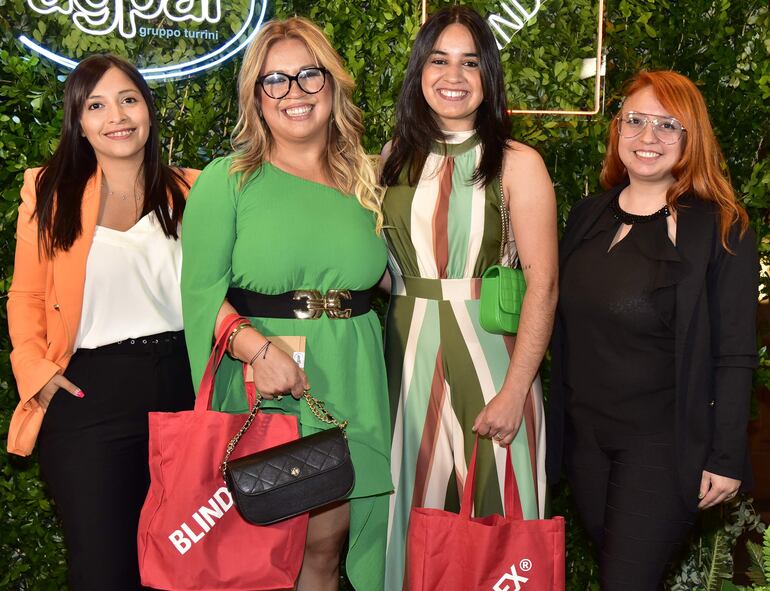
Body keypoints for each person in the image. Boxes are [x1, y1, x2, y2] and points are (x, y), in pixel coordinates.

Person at [180, 17, 392, 591]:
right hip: (266, 384)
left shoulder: (367, 182)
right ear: (256, 96)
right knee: (264, 556)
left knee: (323, 556)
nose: (293, 92)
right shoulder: (227, 181)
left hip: (352, 381)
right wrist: (256, 350)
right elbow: (200, 292)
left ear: (332, 85)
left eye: (307, 76)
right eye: (275, 80)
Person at [548, 70, 758, 589]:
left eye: (668, 126)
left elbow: (735, 353)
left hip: (665, 444)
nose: (647, 138)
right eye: (635, 121)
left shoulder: (722, 228)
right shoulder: (586, 217)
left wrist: (726, 456)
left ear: (692, 139)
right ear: (617, 130)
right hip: (585, 444)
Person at [379, 6, 557, 587]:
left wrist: (516, 390)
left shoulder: (518, 162)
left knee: (502, 519)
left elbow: (543, 284)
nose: (453, 75)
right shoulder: (390, 158)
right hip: (405, 361)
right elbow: (381, 273)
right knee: (410, 515)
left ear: (489, 77)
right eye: (439, 59)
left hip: (493, 363)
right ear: (420, 70)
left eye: (470, 63)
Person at [7, 54, 199, 590]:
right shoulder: (49, 192)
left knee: (184, 565)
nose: (116, 115)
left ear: (149, 110)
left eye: (128, 99)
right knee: (102, 571)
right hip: (87, 393)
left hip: (180, 388)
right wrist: (36, 372)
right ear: (79, 122)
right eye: (96, 104)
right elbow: (24, 294)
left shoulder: (193, 190)